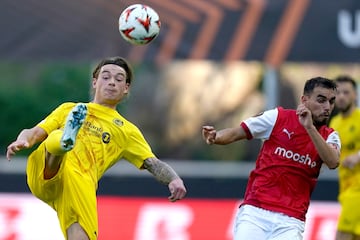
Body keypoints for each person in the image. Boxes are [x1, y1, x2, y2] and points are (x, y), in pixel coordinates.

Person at [6, 56, 187, 240]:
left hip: (80, 184)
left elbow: (151, 162)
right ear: (95, 82)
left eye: (118, 79)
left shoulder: (127, 131)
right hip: (45, 170)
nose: (111, 83)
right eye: (106, 77)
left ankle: (65, 141)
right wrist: (24, 141)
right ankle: (64, 142)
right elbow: (35, 132)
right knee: (54, 138)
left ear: (126, 88)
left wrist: (173, 179)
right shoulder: (69, 109)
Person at [202, 77, 340, 240]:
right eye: (321, 100)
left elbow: (333, 162)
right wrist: (215, 137)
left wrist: (309, 127)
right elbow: (236, 132)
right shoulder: (277, 117)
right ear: (304, 100)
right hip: (256, 212)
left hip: (291, 220)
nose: (327, 107)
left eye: (331, 102)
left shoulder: (330, 136)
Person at [329, 75, 360, 240]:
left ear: (355, 95)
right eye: (338, 93)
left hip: (358, 190)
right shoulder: (335, 123)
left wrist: (358, 156)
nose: (341, 97)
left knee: (342, 235)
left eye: (346, 92)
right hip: (345, 188)